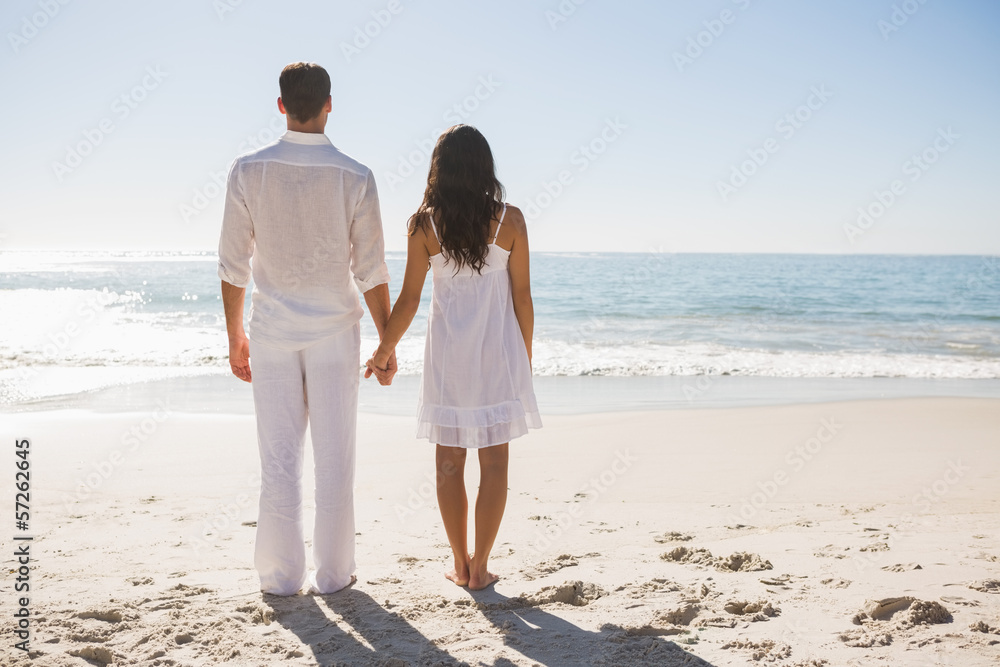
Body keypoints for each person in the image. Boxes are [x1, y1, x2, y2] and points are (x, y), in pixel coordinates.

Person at [218, 62, 396, 596]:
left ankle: (279, 577)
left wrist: (235, 338)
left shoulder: (248, 171)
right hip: (336, 335)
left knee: (278, 460)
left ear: (280, 106)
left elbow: (233, 265)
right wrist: (386, 344)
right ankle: (335, 576)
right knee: (335, 458)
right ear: (329, 104)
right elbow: (371, 269)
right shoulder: (355, 175)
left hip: (271, 334)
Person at [367, 125, 541, 590]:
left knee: (448, 464)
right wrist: (523, 359)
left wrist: (383, 352)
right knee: (496, 464)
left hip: (447, 360)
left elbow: (407, 300)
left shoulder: (425, 225)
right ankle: (481, 565)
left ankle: (460, 565)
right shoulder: (512, 221)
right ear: (485, 167)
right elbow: (523, 299)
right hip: (498, 356)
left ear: (439, 170)